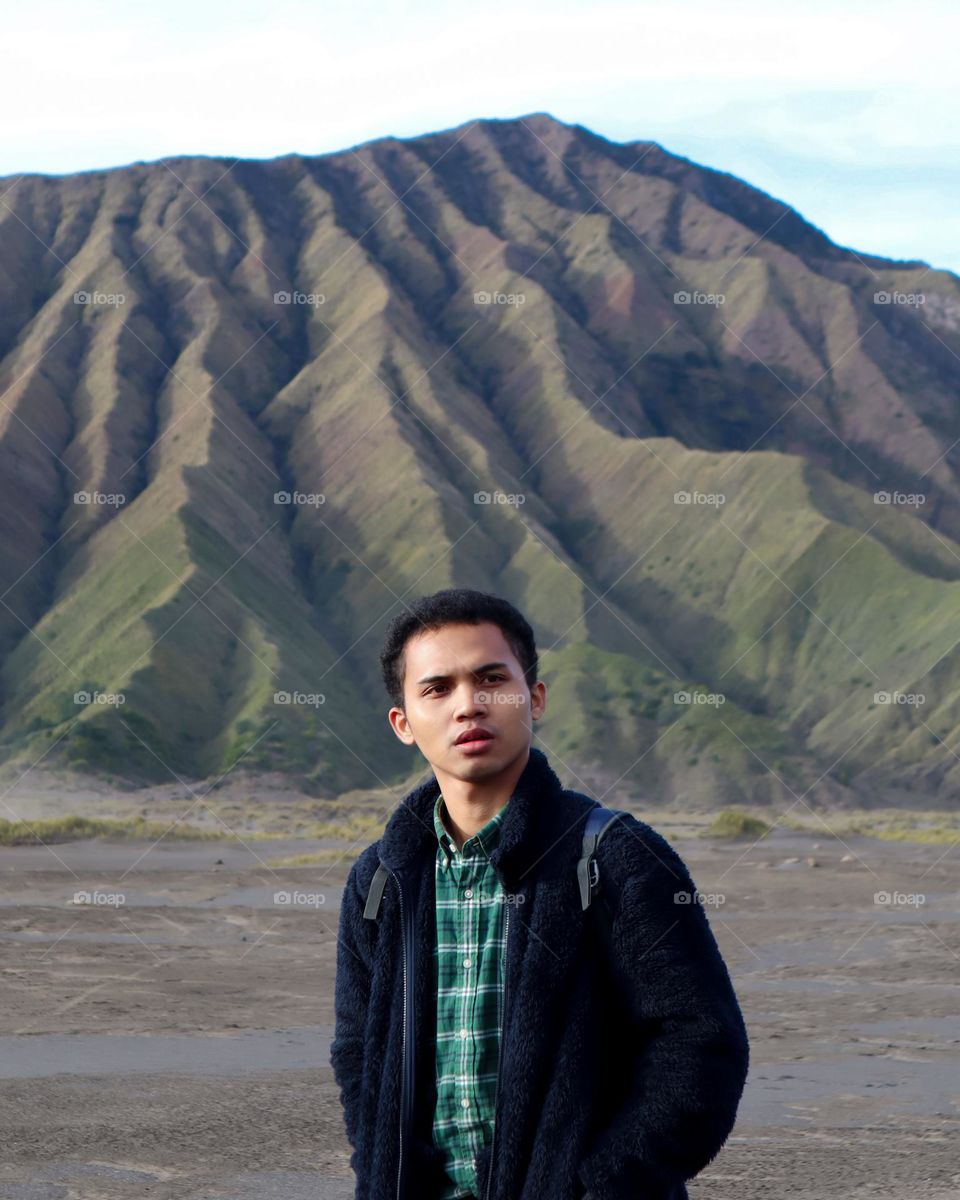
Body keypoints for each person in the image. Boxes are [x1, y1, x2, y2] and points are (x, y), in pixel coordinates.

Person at [330, 588, 749, 1200]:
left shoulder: (615, 856)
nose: (468, 705)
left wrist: (601, 1186)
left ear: (536, 698)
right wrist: (382, 1165)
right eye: (437, 688)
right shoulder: (380, 881)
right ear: (403, 724)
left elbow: (698, 1043)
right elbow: (358, 1050)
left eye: (492, 679)